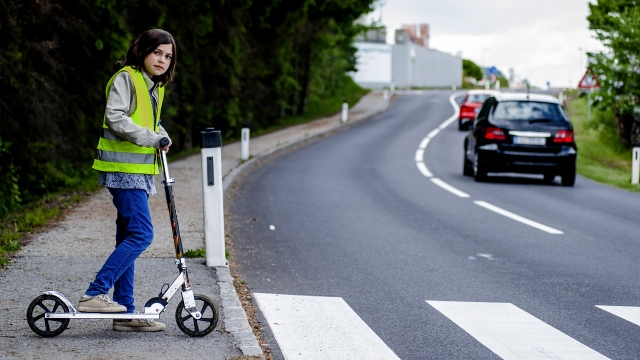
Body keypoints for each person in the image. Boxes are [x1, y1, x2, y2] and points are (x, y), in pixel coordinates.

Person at [78, 29, 176, 332]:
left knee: (128, 236)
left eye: (168, 56)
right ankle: (95, 293)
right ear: (144, 50)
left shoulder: (154, 87)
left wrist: (162, 133)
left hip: (139, 173)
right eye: (157, 52)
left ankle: (124, 311)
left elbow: (149, 122)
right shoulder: (126, 77)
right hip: (123, 170)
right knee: (142, 235)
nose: (162, 60)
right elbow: (116, 117)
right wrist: (152, 137)